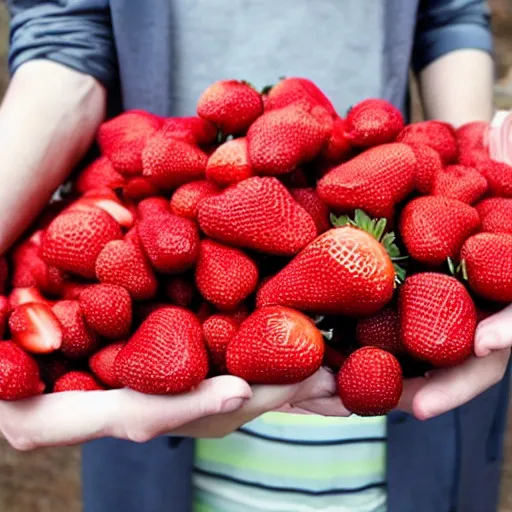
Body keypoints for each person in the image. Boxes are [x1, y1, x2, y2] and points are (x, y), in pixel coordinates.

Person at [2, 0, 512, 511]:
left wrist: (477, 175)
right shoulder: (156, 246)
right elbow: (65, 34)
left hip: (385, 312)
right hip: (163, 275)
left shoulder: (383, 216)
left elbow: (449, 15)